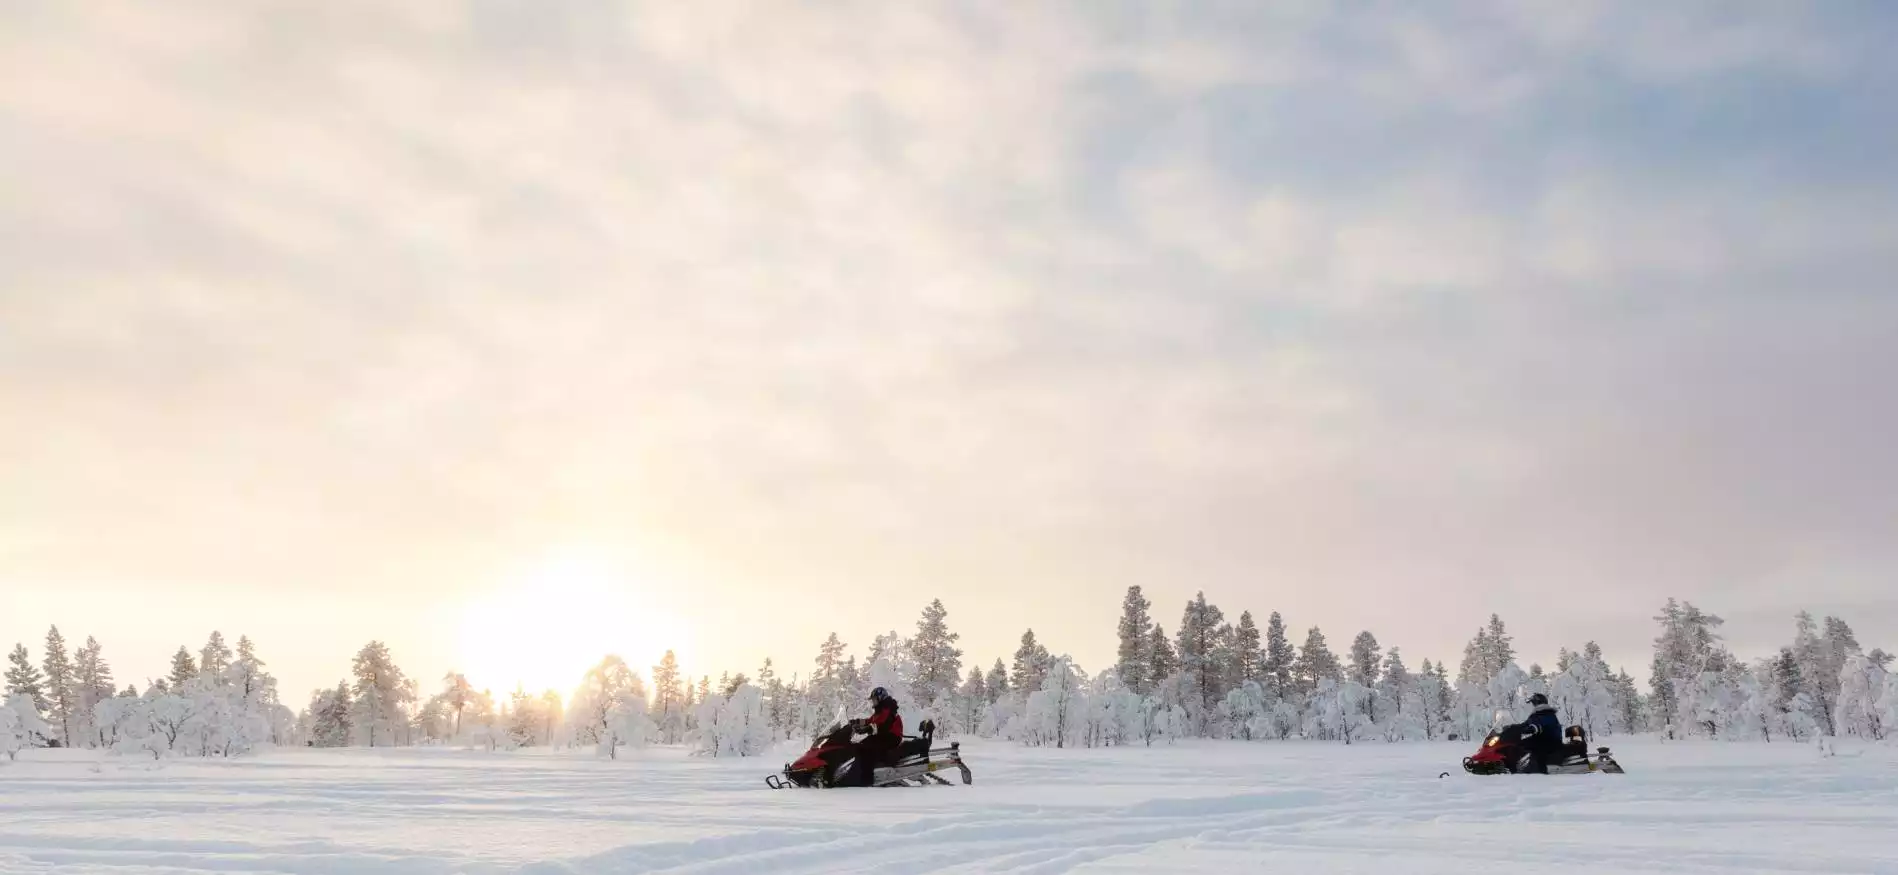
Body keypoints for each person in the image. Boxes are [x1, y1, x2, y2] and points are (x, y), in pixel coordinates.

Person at [847, 687, 903, 786]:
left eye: (874, 699)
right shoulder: (881, 710)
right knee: (861, 745)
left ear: (880, 698)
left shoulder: (888, 709)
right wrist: (856, 722)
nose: (873, 702)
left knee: (866, 749)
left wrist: (867, 729)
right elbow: (870, 721)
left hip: (891, 737)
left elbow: (884, 725)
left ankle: (867, 780)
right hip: (884, 736)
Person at [1517, 693, 1564, 773]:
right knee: (1520, 743)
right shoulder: (1536, 714)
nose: (1533, 705)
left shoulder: (1547, 713)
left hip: (1551, 741)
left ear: (1537, 702)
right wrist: (1512, 728)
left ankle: (1539, 770)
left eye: (1533, 703)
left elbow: (1542, 723)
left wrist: (1534, 728)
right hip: (1543, 739)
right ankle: (1521, 766)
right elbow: (1526, 724)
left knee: (1534, 746)